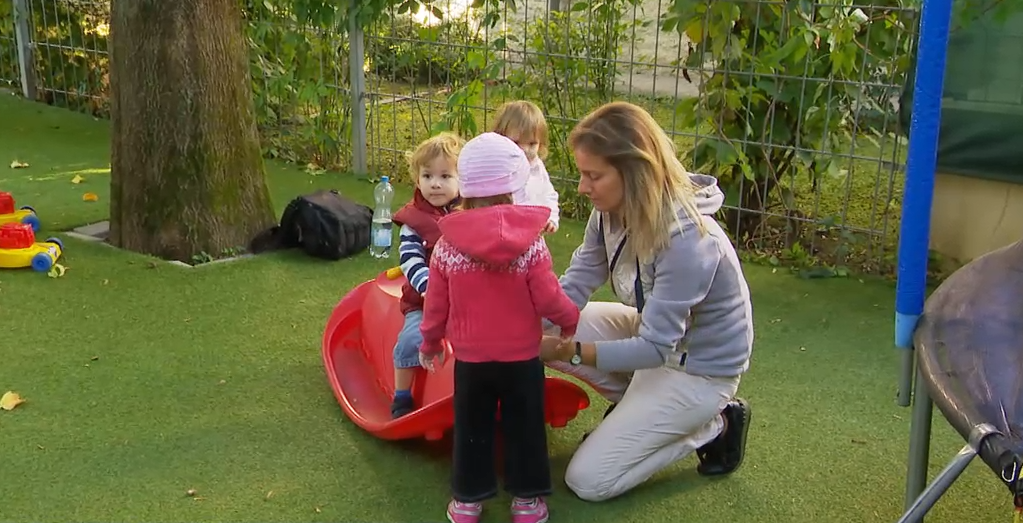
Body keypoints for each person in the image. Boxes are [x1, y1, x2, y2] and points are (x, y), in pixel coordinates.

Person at [536, 101, 754, 503]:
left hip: (698, 371)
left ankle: (715, 424)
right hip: (652, 335)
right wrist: (534, 324)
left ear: (635, 173)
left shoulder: (690, 239)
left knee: (588, 480)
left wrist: (573, 351)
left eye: (593, 175)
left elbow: (655, 348)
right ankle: (641, 414)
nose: (583, 187)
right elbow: (580, 278)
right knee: (545, 330)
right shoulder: (608, 211)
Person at [418, 132, 580, 523]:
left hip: (472, 359)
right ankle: (526, 501)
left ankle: (468, 501)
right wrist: (569, 319)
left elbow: (436, 302)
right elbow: (548, 297)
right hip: (522, 358)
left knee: (473, 427)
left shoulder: (447, 245)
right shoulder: (531, 244)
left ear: (464, 188)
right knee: (524, 426)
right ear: (515, 186)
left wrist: (430, 340)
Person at [388, 132, 464, 418]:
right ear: (417, 179)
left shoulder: (469, 214)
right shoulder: (413, 221)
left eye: (445, 176)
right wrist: (430, 288)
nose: (435, 183)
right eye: (427, 175)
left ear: (461, 179)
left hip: (466, 302)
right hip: (424, 301)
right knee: (411, 339)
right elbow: (410, 261)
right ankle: (402, 395)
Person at [492, 100, 561, 233]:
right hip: (503, 231)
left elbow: (548, 194)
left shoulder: (536, 166)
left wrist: (551, 217)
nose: (524, 150)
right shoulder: (498, 167)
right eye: (516, 142)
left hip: (533, 232)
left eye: (532, 144)